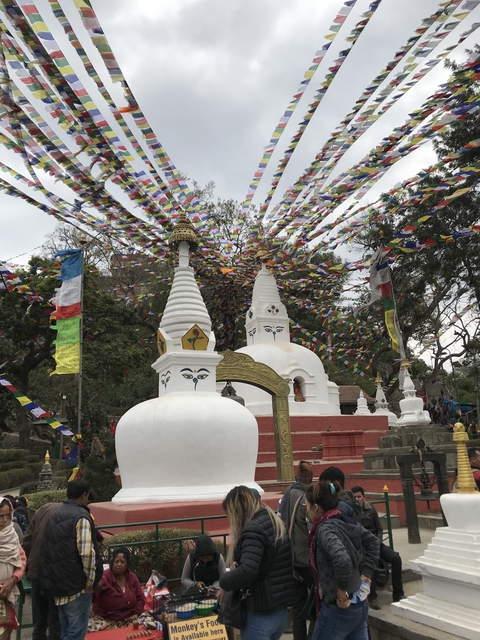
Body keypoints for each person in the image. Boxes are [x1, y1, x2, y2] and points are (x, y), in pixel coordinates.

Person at [305, 481, 379, 640]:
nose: (306, 511)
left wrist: (341, 592)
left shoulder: (325, 529)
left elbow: (342, 560)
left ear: (316, 507)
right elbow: (373, 542)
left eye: (307, 506)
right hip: (359, 602)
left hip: (338, 609)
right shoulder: (345, 520)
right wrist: (366, 574)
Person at [218, 486, 294, 640]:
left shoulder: (253, 530)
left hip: (260, 611)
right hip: (279, 609)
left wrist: (224, 582)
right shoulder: (273, 521)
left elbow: (248, 571)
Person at [38, 479, 104, 640]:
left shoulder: (55, 515)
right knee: (75, 633)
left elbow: (48, 548)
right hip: (76, 587)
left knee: (65, 630)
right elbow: (87, 554)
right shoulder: (81, 517)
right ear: (84, 495)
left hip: (58, 585)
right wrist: (90, 581)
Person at [351, 486, 405, 610]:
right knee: (368, 563)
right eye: (354, 497)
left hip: (375, 542)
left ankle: (398, 593)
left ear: (364, 497)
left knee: (396, 558)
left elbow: (379, 528)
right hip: (362, 546)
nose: (357, 499)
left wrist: (377, 541)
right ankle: (372, 597)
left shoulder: (371, 510)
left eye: (359, 496)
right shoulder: (351, 512)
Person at [279, 461, 314, 640]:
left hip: (291, 560)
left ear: (296, 477)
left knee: (299, 607)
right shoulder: (309, 499)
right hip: (307, 560)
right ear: (312, 478)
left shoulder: (288, 494)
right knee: (318, 604)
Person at [23, 502, 62, 640]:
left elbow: (26, 539)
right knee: (55, 619)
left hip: (37, 570)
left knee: (39, 619)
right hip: (57, 574)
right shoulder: (73, 514)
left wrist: (29, 564)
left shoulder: (42, 509)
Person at [89, 547, 145, 632]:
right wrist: (95, 587)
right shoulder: (104, 577)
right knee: (92, 626)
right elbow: (92, 597)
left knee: (149, 622)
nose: (119, 564)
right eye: (116, 562)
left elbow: (141, 598)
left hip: (129, 618)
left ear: (127, 564)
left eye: (122, 562)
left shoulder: (132, 577)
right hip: (106, 620)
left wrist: (136, 614)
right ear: (112, 562)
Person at [0, 497, 26, 640]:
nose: (4, 520)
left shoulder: (11, 534)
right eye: (0, 516)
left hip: (7, 596)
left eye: (7, 515)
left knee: (5, 634)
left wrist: (13, 579)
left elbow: (21, 561)